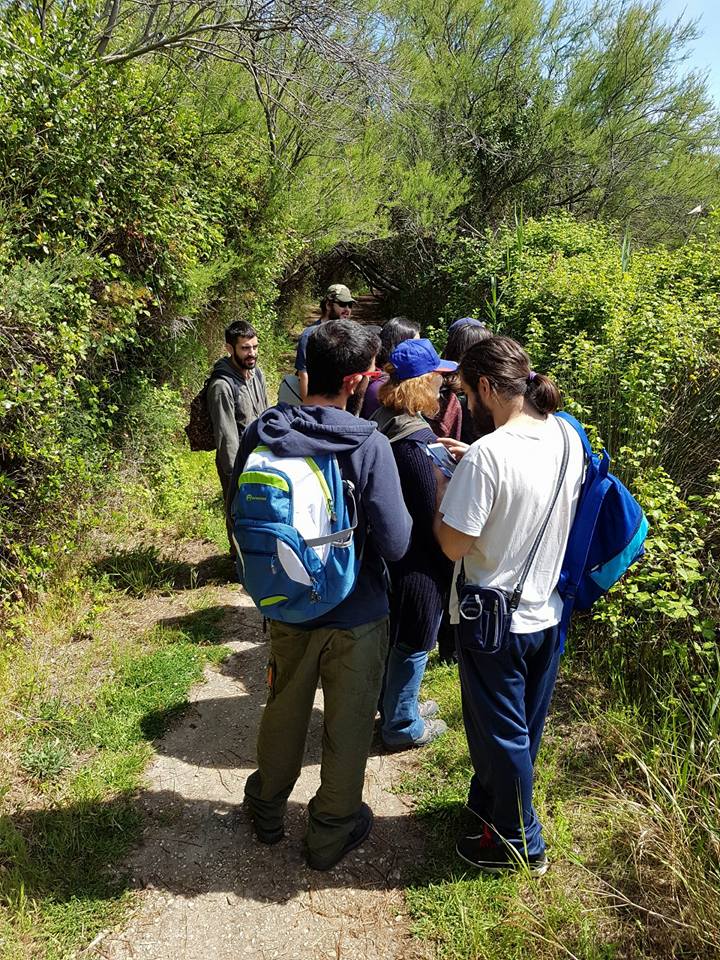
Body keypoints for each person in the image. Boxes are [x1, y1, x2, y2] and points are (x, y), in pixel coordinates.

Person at [233, 320, 412, 871]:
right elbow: (398, 542)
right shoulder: (368, 444)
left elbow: (239, 514)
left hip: (288, 603)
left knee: (284, 707)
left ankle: (265, 809)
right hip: (356, 611)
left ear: (305, 373)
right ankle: (329, 834)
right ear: (359, 381)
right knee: (349, 722)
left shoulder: (262, 432)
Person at [433, 335, 584, 875]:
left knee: (501, 733)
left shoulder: (489, 455)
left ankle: (520, 842)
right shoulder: (568, 437)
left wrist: (443, 488)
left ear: (489, 387)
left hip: (494, 619)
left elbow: (453, 543)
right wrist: (471, 463)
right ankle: (491, 809)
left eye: (469, 393)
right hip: (547, 608)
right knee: (523, 728)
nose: (467, 404)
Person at [371, 338, 456, 749]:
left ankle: (394, 706)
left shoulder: (384, 418)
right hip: (418, 561)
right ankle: (401, 725)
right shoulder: (414, 441)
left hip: (391, 554)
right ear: (421, 384)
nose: (443, 386)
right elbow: (429, 512)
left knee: (399, 634)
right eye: (438, 378)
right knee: (416, 637)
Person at [207, 320, 269, 553]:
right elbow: (226, 437)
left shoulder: (256, 373)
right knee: (238, 511)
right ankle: (239, 560)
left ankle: (258, 557)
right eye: (245, 348)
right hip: (238, 463)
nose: (251, 353)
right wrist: (235, 476)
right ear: (229, 348)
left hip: (261, 456)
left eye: (254, 346)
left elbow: (265, 412)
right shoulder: (221, 386)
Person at [294, 283, 355, 401]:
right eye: (342, 304)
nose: (347, 309)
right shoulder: (310, 335)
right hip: (316, 401)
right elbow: (303, 374)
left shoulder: (350, 335)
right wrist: (308, 407)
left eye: (350, 305)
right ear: (328, 305)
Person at [360, 316, 420, 419]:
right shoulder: (381, 387)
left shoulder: (388, 378)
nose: (419, 350)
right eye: (415, 345)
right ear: (398, 346)